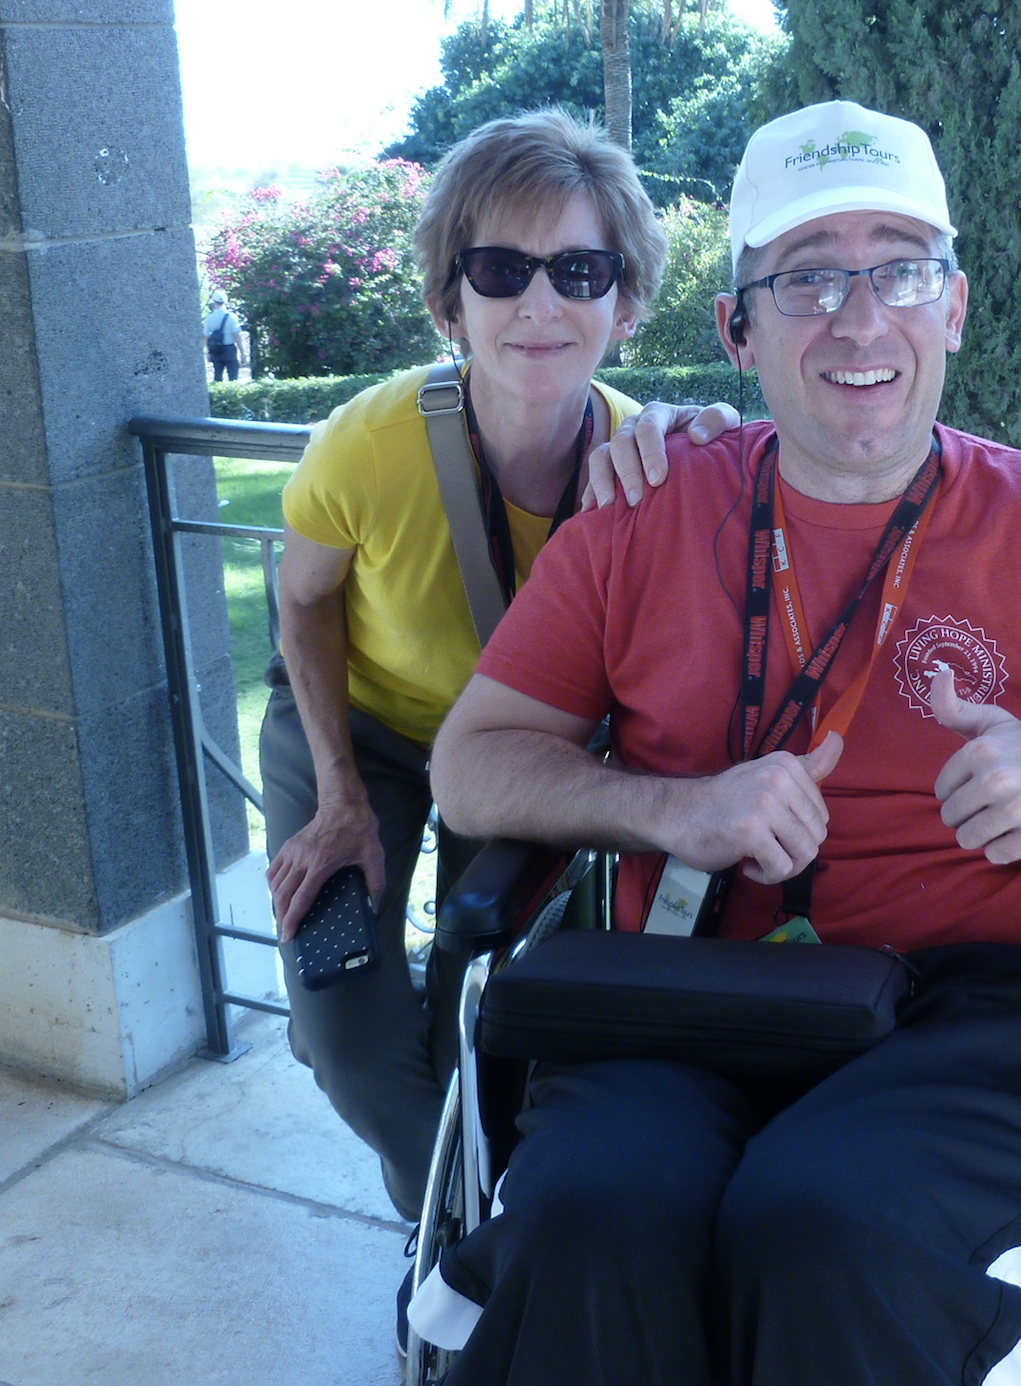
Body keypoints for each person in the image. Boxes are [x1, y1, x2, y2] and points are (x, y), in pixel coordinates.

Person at [423, 101, 1021, 1386]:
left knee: (824, 1227)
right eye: (807, 278)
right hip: (689, 995)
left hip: (987, 1004)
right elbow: (470, 763)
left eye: (897, 268)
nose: (858, 316)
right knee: (590, 1219)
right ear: (737, 327)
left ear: (949, 305)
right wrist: (668, 810)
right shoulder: (643, 508)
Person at [262, 108, 727, 1225]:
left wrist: (725, 451)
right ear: (448, 299)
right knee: (348, 1034)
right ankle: (478, 1249)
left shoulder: (648, 463)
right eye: (499, 268)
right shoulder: (363, 447)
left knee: (490, 1023)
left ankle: (455, 1262)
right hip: (356, 726)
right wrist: (336, 795)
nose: (538, 303)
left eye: (577, 270)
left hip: (517, 750)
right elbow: (301, 601)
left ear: (623, 305)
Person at [203, 290, 242, 380]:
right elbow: (237, 336)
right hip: (229, 348)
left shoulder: (209, 317)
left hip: (215, 349)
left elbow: (206, 336)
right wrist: (242, 352)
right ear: (226, 302)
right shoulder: (232, 317)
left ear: (214, 302)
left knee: (217, 375)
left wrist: (208, 352)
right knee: (233, 376)